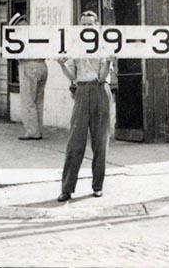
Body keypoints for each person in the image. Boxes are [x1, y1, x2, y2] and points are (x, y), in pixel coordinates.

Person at [56, 10, 115, 202]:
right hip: (82, 91)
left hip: (100, 91)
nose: (87, 28)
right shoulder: (75, 47)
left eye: (90, 25)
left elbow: (102, 75)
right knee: (75, 141)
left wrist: (108, 62)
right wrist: (62, 65)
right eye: (83, 25)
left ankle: (98, 186)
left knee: (100, 142)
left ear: (97, 26)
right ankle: (67, 189)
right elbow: (72, 76)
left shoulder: (105, 46)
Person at [10, 13, 48, 141]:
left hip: (28, 65)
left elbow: (16, 52)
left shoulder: (20, 36)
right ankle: (38, 130)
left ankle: (32, 131)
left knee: (28, 100)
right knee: (38, 100)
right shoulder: (36, 34)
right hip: (42, 65)